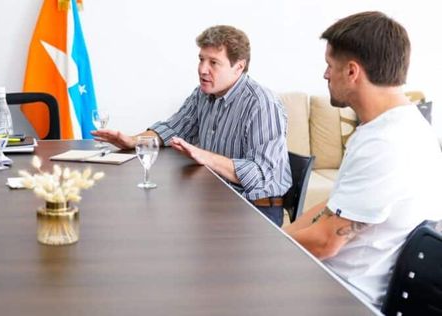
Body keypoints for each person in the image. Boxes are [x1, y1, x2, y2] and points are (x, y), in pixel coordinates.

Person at [284, 11, 442, 309]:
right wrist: (277, 234)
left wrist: (266, 247)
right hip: (333, 281)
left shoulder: (387, 142)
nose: (325, 75)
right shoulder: (392, 127)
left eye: (330, 66)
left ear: (352, 72)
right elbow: (333, 208)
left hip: (345, 297)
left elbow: (327, 241)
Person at [92, 25, 291, 226]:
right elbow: (173, 128)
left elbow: (262, 176)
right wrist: (134, 140)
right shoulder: (203, 94)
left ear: (239, 67)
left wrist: (205, 157)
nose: (202, 69)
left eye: (213, 62)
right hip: (213, 197)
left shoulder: (262, 104)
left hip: (255, 209)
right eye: (201, 59)